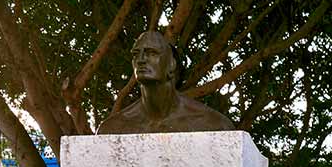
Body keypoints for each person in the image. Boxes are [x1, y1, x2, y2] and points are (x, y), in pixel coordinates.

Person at [97, 31, 235, 134]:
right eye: (135, 54)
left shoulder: (213, 124)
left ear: (171, 64)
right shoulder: (112, 128)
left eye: (152, 53)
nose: (141, 60)